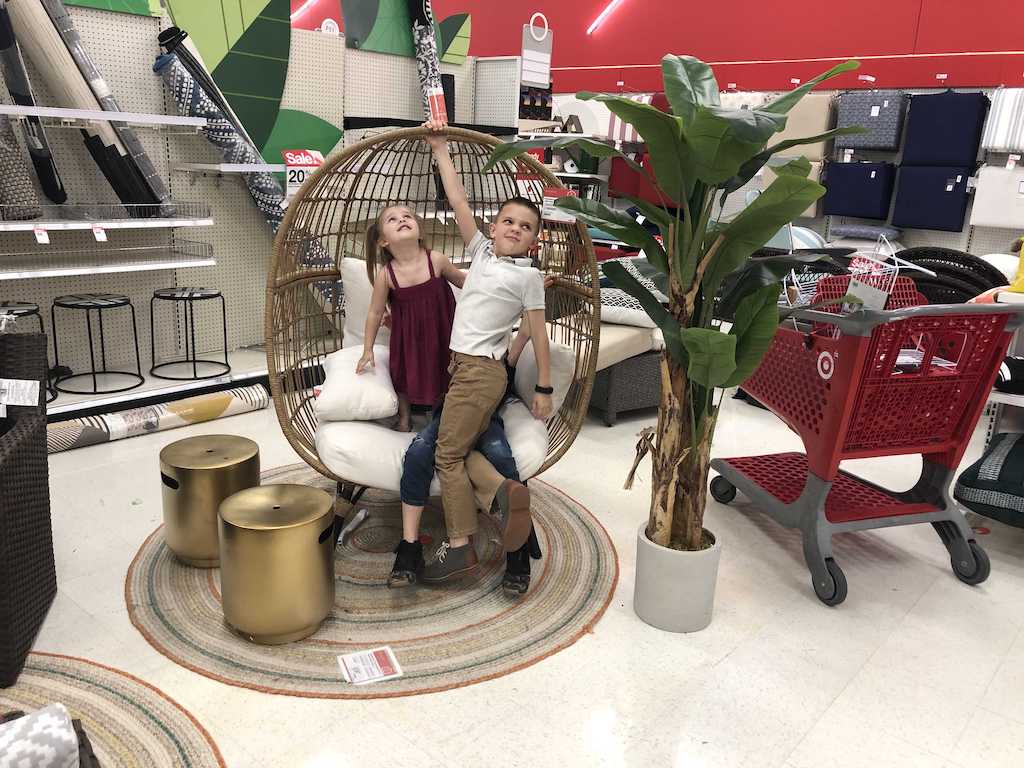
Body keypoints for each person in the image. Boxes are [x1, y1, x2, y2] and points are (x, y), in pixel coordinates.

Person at [412, 119, 553, 583]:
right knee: (464, 447)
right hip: (466, 373)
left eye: (526, 226)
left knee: (446, 456)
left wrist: (545, 387)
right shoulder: (482, 254)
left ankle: (459, 546)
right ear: (493, 229)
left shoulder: (528, 277)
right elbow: (457, 200)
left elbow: (538, 331)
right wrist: (440, 149)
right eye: (509, 221)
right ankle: (501, 493)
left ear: (535, 240)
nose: (515, 228)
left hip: (480, 375)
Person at [356, 204, 462, 432]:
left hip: (444, 332)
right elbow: (374, 313)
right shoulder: (387, 274)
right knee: (402, 373)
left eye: (407, 216)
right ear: (384, 241)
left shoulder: (437, 260)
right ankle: (404, 418)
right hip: (408, 340)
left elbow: (468, 284)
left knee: (446, 369)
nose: (402, 219)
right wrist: (368, 349)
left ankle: (444, 414)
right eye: (392, 220)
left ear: (420, 231)